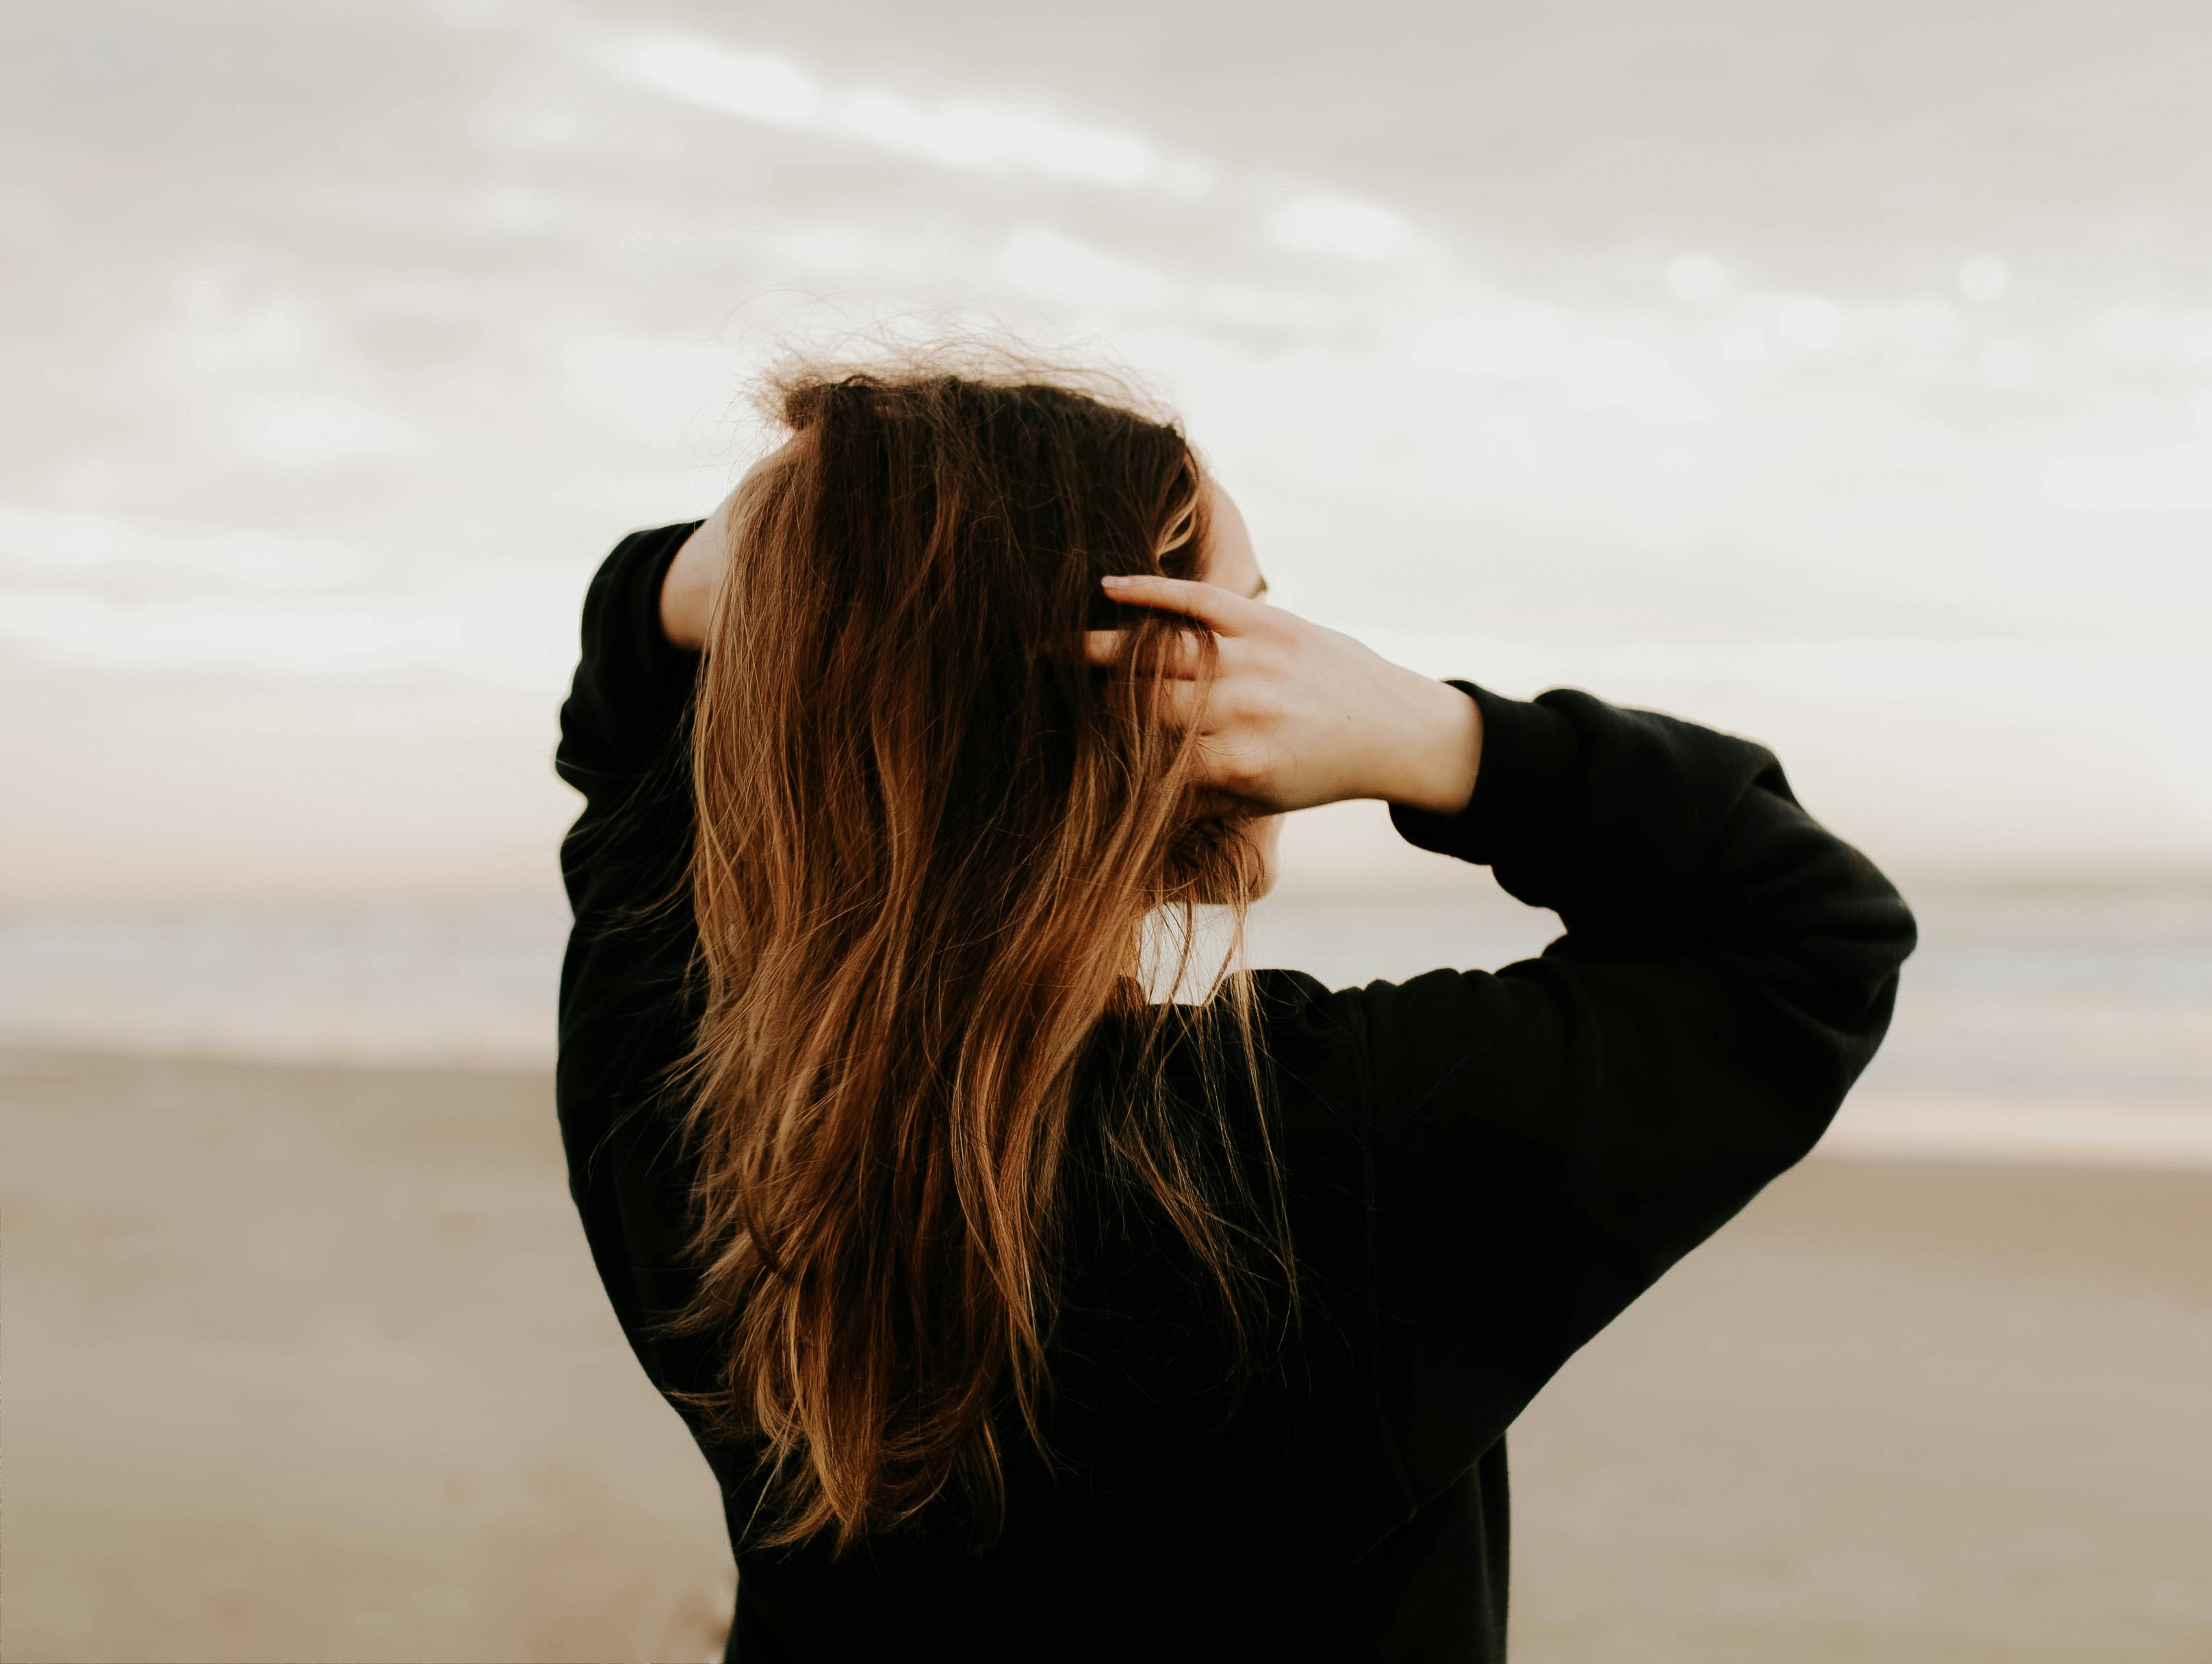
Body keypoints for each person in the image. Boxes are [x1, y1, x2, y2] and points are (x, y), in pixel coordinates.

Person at [555, 354, 1915, 1662]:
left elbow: (628, 695)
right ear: (1140, 707)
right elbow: (1806, 940)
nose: (1289, 662)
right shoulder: (1319, 1144)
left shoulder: (676, 1083)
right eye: (1249, 624)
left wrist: (814, 567)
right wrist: (1432, 733)